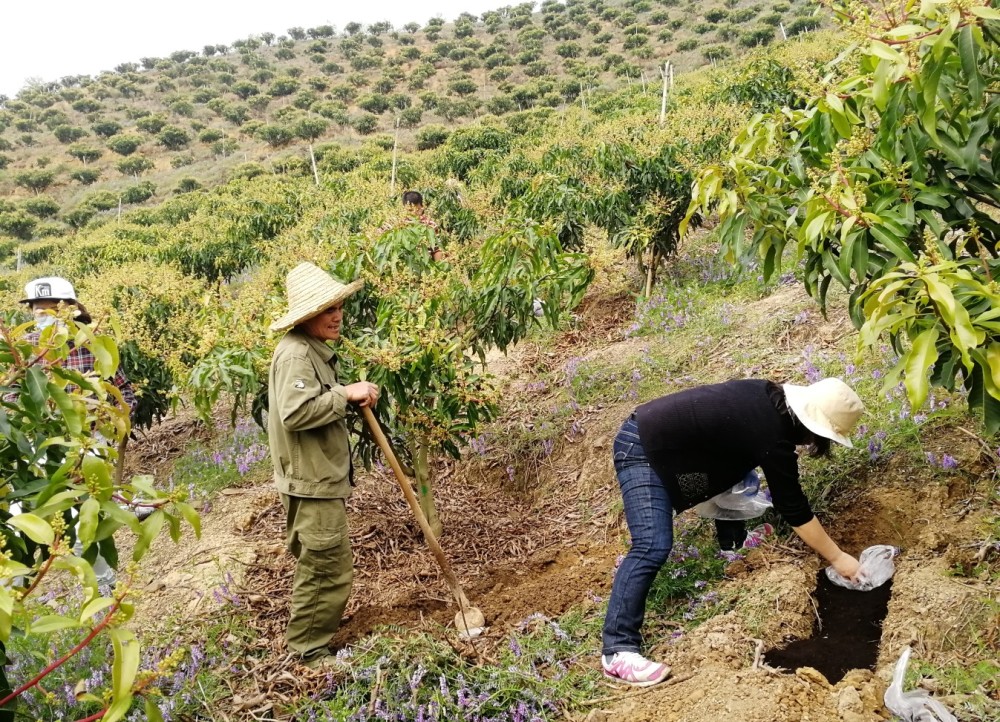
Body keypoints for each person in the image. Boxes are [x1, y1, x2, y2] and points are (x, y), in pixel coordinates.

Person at [601, 377, 865, 687]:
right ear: (811, 428)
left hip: (679, 450)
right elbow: (792, 506)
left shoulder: (767, 399)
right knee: (652, 545)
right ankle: (617, 650)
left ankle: (733, 546)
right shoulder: (771, 434)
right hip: (642, 450)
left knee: (741, 476)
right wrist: (837, 557)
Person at [266, 262, 379, 669]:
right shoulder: (296, 354)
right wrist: (345, 394)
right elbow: (296, 413)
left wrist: (346, 393)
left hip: (314, 476)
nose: (337, 315)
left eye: (338, 306)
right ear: (306, 316)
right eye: (326, 309)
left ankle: (311, 638)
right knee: (325, 566)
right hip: (310, 481)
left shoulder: (311, 351)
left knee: (323, 562)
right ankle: (309, 652)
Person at [20, 276, 137, 415]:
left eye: (55, 309)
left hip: (92, 431)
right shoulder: (25, 346)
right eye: (40, 311)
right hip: (44, 431)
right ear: (32, 312)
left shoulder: (93, 342)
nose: (49, 315)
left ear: (72, 309)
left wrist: (111, 421)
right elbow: (12, 389)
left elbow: (124, 390)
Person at [401, 190, 444, 262]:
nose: (414, 213)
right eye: (410, 210)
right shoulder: (399, 225)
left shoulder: (431, 225)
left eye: (417, 210)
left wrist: (438, 266)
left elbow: (437, 249)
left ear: (422, 207)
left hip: (426, 265)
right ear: (404, 209)